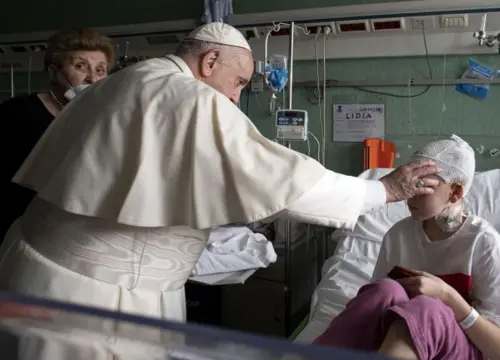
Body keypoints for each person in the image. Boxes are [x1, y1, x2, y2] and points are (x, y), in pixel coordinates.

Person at [0, 22, 440, 322]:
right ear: (210, 62)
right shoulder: (187, 95)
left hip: (46, 271)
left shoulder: (128, 79)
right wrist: (383, 190)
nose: (234, 98)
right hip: (91, 295)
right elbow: (282, 179)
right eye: (239, 83)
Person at [313, 135, 500, 360]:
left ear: (455, 192)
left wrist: (447, 296)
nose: (410, 194)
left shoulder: (484, 243)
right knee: (383, 291)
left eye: (422, 185)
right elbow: (376, 312)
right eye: (410, 182)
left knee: (426, 308)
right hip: (401, 336)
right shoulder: (399, 235)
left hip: (458, 346)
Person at [0, 28, 115, 238]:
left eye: (100, 70)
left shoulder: (101, 120)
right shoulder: (15, 113)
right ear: (54, 73)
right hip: (14, 228)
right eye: (81, 66)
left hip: (63, 232)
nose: (92, 78)